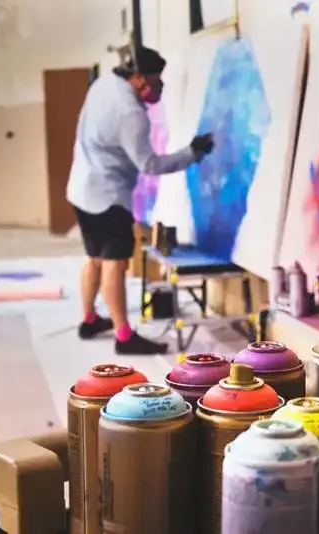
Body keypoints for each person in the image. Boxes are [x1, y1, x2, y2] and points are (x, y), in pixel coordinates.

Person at [66, 46, 214, 355]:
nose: (158, 87)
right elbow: (149, 164)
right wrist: (192, 153)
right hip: (108, 197)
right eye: (155, 80)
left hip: (81, 188)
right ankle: (123, 336)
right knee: (114, 263)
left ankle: (89, 320)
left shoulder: (103, 84)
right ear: (138, 78)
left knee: (94, 258)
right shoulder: (131, 114)